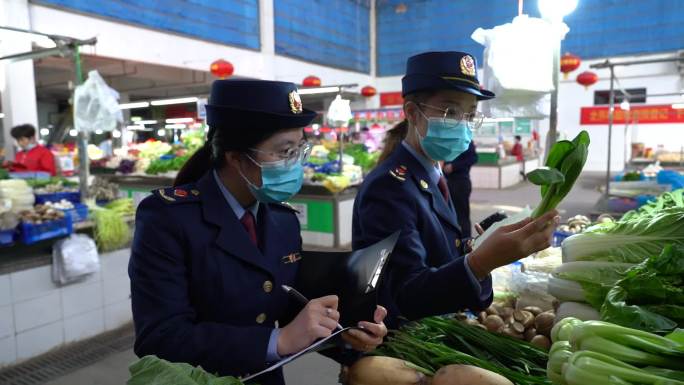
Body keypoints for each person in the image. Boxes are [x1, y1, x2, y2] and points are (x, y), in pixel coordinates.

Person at [128, 80, 387, 385]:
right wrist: (274, 342)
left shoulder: (282, 220)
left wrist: (349, 334)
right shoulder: (168, 219)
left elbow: (292, 308)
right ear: (236, 158)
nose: (295, 164)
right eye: (284, 151)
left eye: (299, 149)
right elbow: (160, 337)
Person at [352, 51, 559, 328]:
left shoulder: (432, 173)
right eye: (450, 111)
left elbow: (436, 254)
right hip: (399, 345)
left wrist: (478, 246)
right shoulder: (389, 188)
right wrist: (479, 263)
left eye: (470, 114)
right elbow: (405, 295)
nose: (462, 124)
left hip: (437, 326)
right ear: (413, 112)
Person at [443, 141, 478, 238]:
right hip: (449, 181)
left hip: (461, 182)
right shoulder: (448, 140)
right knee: (451, 215)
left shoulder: (465, 140)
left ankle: (467, 241)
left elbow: (474, 158)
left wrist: (454, 166)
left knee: (462, 215)